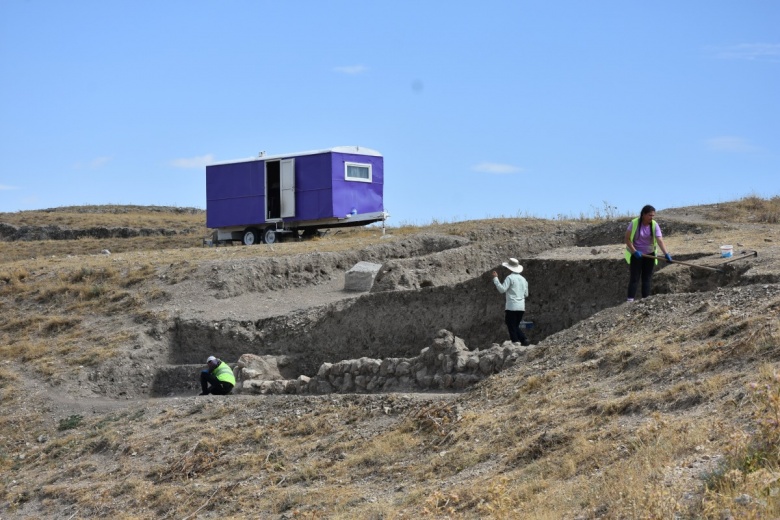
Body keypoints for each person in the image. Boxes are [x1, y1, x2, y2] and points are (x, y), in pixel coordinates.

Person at [624, 204, 673, 302]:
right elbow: (627, 239)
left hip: (649, 255)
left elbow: (659, 240)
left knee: (646, 278)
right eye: (650, 215)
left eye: (653, 215)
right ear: (643, 215)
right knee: (635, 278)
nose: (652, 217)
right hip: (636, 255)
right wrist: (634, 251)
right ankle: (630, 301)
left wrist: (666, 253)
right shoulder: (634, 223)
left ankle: (645, 301)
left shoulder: (654, 225)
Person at [491, 257, 531, 346]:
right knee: (514, 325)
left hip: (512, 306)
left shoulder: (510, 278)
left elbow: (502, 290)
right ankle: (524, 340)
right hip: (521, 307)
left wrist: (496, 279)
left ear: (509, 268)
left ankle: (516, 341)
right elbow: (526, 294)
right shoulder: (524, 280)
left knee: (510, 324)